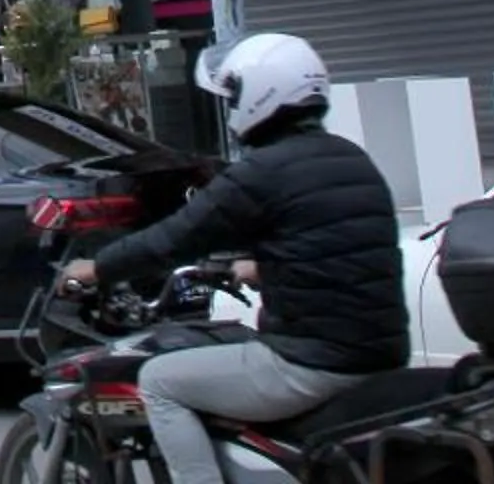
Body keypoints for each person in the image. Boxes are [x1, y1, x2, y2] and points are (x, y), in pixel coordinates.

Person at [58, 33, 406, 484]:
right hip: (380, 352)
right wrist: (264, 267)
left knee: (160, 381)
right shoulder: (350, 157)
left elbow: (173, 238)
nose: (230, 107)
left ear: (261, 96)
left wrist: (97, 267)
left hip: (311, 364)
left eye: (234, 95)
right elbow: (339, 248)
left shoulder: (260, 173)